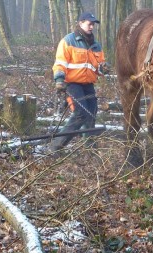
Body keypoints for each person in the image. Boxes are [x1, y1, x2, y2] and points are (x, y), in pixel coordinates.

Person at [48, 12, 108, 153]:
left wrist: (104, 68)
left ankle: (89, 147)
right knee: (81, 113)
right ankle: (56, 146)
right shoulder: (68, 41)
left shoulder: (96, 45)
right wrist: (59, 80)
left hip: (88, 84)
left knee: (92, 112)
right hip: (72, 84)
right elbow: (60, 63)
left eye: (93, 24)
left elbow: (98, 68)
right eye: (89, 23)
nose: (91, 26)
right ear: (80, 23)